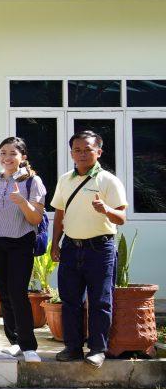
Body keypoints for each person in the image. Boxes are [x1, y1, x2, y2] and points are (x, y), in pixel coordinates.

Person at [50, 131, 127, 369]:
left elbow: (122, 217)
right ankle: (72, 348)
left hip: (100, 249)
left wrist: (106, 210)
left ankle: (97, 350)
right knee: (70, 300)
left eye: (88, 150)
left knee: (100, 301)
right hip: (71, 247)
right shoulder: (65, 179)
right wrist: (55, 243)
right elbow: (59, 214)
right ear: (71, 153)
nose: (82, 154)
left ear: (99, 152)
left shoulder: (109, 181)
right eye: (77, 150)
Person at [0, 137, 47, 364]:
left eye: (13, 153)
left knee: (17, 293)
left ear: (23, 157)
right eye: (3, 152)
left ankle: (29, 346)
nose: (7, 157)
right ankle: (15, 342)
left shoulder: (33, 181)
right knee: (3, 293)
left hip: (20, 242)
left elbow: (35, 218)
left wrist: (22, 201)